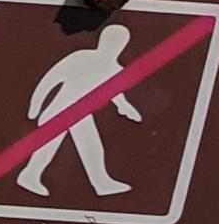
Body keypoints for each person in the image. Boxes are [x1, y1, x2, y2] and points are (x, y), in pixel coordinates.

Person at [17, 22, 144, 199]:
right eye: (112, 41)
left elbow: (115, 93)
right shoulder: (82, 57)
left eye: (119, 42)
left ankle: (101, 182)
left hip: (80, 115)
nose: (114, 46)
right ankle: (30, 175)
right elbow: (51, 79)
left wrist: (124, 107)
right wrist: (35, 105)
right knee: (48, 146)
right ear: (103, 40)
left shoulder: (116, 70)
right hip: (59, 111)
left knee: (92, 146)